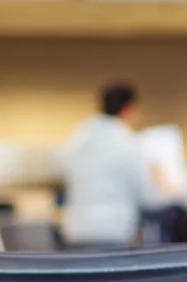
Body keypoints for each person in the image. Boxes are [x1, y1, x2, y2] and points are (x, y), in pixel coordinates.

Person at [60, 82, 172, 249]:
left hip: (76, 232)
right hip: (114, 233)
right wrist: (163, 182)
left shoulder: (78, 136)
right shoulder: (127, 142)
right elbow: (150, 199)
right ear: (129, 109)